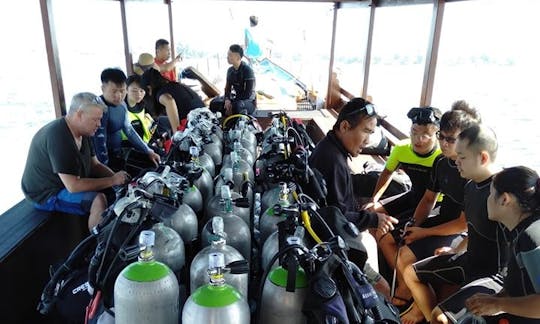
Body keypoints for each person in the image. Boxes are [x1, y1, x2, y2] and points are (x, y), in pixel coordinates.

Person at [402, 124, 506, 323]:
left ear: (483, 158)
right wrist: (456, 250)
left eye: (462, 157)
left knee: (441, 317)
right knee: (410, 273)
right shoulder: (470, 186)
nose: (456, 161)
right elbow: (472, 228)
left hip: (493, 274)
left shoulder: (502, 195)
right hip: (469, 260)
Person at [396, 101, 481, 323]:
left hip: (460, 232)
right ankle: (413, 301)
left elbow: (464, 224)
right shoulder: (441, 163)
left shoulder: (471, 173)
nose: (443, 143)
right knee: (400, 243)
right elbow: (427, 199)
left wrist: (423, 233)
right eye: (441, 136)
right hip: (443, 223)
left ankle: (419, 310)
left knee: (411, 257)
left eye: (450, 139)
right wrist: (414, 224)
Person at [309, 97, 399, 297]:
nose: (368, 141)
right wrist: (374, 219)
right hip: (338, 243)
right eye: (366, 131)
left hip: (336, 231)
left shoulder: (331, 149)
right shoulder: (333, 160)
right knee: (387, 292)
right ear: (344, 126)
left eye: (371, 133)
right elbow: (336, 217)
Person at [21, 92, 131, 231]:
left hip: (67, 182)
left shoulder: (84, 132)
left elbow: (95, 165)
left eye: (100, 119)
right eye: (95, 120)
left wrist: (118, 180)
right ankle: (99, 247)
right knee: (98, 200)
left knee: (111, 191)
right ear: (79, 114)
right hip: (46, 193)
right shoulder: (58, 136)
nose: (99, 124)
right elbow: (73, 186)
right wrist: (112, 181)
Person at [366, 106, 442, 301]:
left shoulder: (441, 158)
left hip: (433, 205)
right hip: (413, 195)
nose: (419, 139)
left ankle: (403, 285)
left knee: (385, 235)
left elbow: (429, 200)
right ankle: (385, 265)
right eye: (414, 133)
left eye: (426, 135)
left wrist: (414, 224)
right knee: (371, 214)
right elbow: (386, 174)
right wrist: (374, 199)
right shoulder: (401, 148)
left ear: (437, 135)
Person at [462, 166, 540, 323]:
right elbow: (525, 284)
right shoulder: (519, 230)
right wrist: (497, 298)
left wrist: (499, 304)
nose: (488, 199)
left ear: (505, 199)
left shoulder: (530, 238)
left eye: (490, 194)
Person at [92, 68, 160, 170]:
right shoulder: (97, 109)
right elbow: (99, 144)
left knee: (156, 163)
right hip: (103, 161)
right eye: (114, 91)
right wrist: (108, 174)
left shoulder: (122, 105)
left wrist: (148, 151)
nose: (119, 96)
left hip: (119, 153)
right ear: (103, 89)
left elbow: (129, 131)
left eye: (122, 91)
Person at [140, 67, 205, 133]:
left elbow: (169, 101)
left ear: (149, 88)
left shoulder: (161, 94)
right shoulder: (173, 85)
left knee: (160, 122)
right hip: (205, 118)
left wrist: (177, 134)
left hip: (197, 125)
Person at [221, 44, 257, 116]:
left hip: (249, 101)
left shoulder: (247, 70)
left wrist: (232, 102)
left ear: (238, 57)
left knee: (237, 106)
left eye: (230, 55)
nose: (227, 57)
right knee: (215, 103)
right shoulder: (230, 71)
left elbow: (248, 93)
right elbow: (227, 88)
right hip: (237, 98)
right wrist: (227, 100)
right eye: (228, 54)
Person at [122, 74, 155, 144]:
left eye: (142, 91)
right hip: (127, 146)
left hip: (145, 144)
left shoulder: (145, 106)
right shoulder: (120, 108)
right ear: (126, 90)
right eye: (134, 91)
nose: (139, 94)